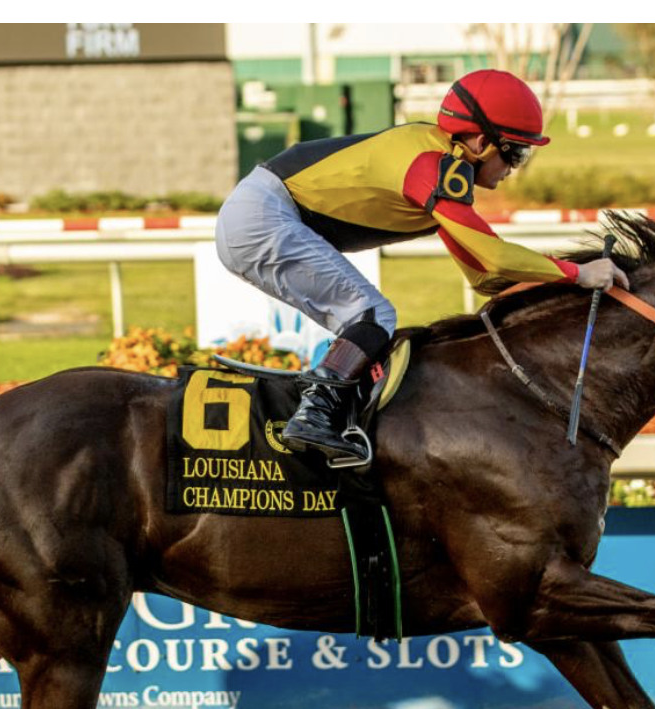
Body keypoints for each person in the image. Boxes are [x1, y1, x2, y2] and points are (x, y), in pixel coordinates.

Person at [215, 69, 630, 465]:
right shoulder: (434, 167)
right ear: (482, 142)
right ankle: (314, 416)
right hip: (263, 215)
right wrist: (579, 273)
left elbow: (483, 277)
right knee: (374, 315)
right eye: (516, 153)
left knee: (366, 319)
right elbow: (495, 256)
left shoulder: (441, 164)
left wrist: (557, 297)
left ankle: (327, 411)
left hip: (258, 213)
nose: (513, 169)